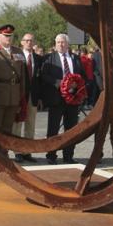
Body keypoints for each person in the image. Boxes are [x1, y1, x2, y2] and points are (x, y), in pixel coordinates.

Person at [41, 33, 83, 164]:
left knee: (71, 129)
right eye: (58, 42)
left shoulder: (75, 58)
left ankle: (68, 156)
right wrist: (60, 83)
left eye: (63, 42)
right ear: (55, 44)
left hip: (73, 99)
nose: (60, 44)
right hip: (56, 98)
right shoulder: (49, 58)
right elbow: (44, 75)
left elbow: (82, 76)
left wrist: (77, 85)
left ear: (68, 44)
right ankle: (51, 155)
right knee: (53, 129)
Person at [12, 32, 42, 162]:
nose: (29, 42)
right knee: (17, 122)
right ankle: (17, 151)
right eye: (26, 40)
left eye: (31, 40)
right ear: (22, 42)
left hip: (33, 96)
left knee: (31, 123)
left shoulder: (39, 58)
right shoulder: (16, 56)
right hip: (20, 95)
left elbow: (40, 80)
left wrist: (40, 97)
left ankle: (27, 151)